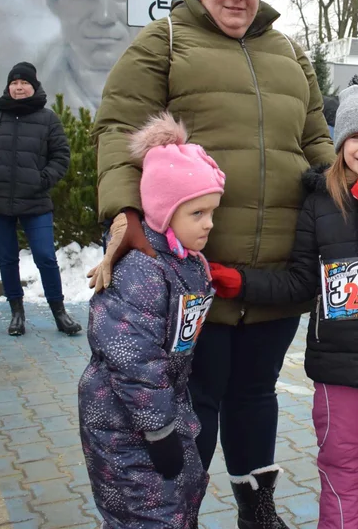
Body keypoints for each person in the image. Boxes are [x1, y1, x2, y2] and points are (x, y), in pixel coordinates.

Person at [89, 0, 335, 527]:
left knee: (255, 395)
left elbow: (316, 141)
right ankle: (180, 512)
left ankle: (258, 507)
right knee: (193, 401)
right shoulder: (165, 41)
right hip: (191, 275)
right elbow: (119, 129)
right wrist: (126, 219)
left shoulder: (288, 53)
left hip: (273, 274)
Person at [209, 75, 358, 529]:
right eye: (356, 135)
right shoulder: (317, 202)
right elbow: (300, 283)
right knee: (339, 471)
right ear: (339, 142)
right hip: (336, 368)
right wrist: (241, 284)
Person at [79, 112, 239, 528]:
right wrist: (159, 431)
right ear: (166, 213)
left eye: (211, 212)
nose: (209, 224)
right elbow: (131, 358)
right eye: (198, 214)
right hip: (121, 424)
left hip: (161, 415)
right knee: (149, 514)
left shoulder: (184, 262)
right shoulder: (143, 270)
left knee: (177, 504)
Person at [0, 62, 82, 338]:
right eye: (14, 83)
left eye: (24, 83)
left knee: (45, 257)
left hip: (35, 202)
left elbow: (61, 156)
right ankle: (16, 313)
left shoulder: (48, 119)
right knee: (7, 260)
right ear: (9, 86)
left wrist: (43, 180)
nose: (19, 88)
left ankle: (59, 312)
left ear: (34, 86)